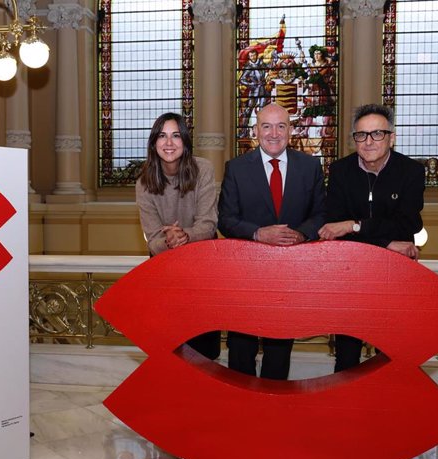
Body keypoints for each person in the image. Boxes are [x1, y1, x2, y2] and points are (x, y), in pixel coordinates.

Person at [218, 103, 326, 379]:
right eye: (266, 126)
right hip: (246, 275)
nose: (274, 133)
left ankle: (273, 410)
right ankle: (242, 411)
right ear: (256, 131)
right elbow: (226, 219)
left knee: (280, 348)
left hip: (291, 275)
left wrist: (302, 234)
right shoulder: (236, 168)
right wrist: (258, 233)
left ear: (291, 130)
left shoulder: (310, 166)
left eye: (281, 126)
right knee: (241, 346)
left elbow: (321, 214)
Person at [318, 103, 425, 372]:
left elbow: (408, 223)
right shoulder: (340, 171)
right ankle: (343, 409)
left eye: (377, 134)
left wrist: (354, 226)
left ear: (392, 137)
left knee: (389, 352)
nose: (368, 142)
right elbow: (333, 228)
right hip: (351, 275)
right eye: (361, 135)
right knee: (346, 354)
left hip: (393, 275)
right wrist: (387, 242)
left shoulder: (411, 171)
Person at [135, 112, 221, 360]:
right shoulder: (143, 182)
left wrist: (184, 235)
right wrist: (171, 241)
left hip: (203, 268)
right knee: (169, 350)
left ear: (185, 141)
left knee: (205, 351)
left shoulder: (202, 168)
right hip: (165, 271)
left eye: (175, 135)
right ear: (153, 143)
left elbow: (208, 223)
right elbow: (152, 239)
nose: (169, 143)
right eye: (162, 136)